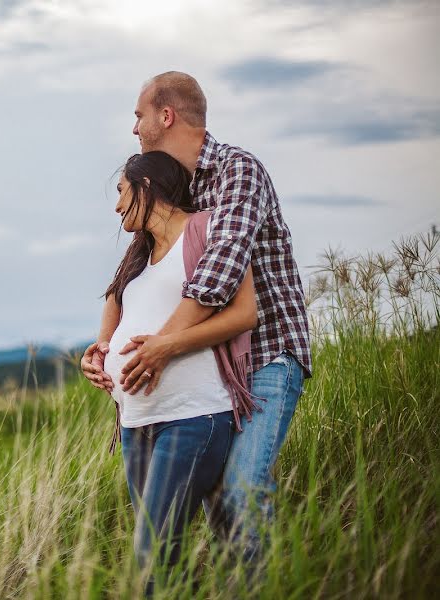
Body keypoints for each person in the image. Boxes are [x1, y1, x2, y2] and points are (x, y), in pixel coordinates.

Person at [82, 71, 312, 568]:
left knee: (243, 491)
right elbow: (135, 279)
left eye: (139, 116)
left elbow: (219, 275)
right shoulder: (175, 191)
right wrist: (107, 346)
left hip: (267, 356)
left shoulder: (238, 171)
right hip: (215, 366)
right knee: (218, 511)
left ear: (166, 116)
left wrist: (152, 350)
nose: (135, 129)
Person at [98, 151, 259, 594]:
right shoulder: (138, 256)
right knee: (162, 557)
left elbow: (246, 314)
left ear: (145, 186)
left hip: (193, 417)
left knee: (152, 556)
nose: (116, 207)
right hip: (136, 424)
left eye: (121, 192)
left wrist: (166, 347)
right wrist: (96, 357)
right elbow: (107, 333)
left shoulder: (206, 230)